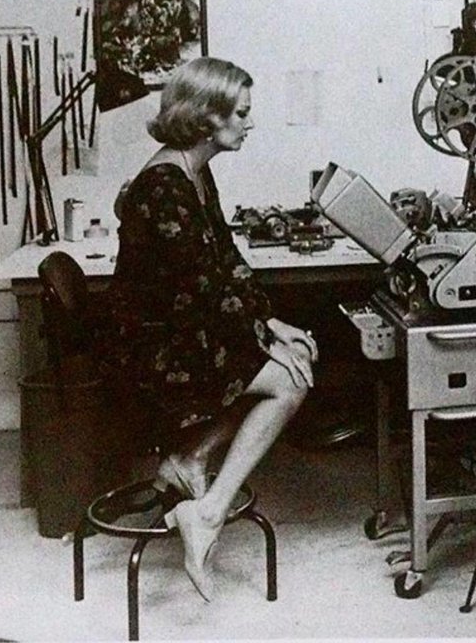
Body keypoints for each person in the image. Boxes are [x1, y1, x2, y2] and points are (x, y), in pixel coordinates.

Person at [102, 56, 317, 601]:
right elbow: (204, 286)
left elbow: (226, 260)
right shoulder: (164, 185)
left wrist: (272, 322)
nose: (250, 123)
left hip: (181, 335)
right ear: (206, 118)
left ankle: (190, 459)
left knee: (293, 358)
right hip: (152, 353)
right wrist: (267, 341)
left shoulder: (195, 173)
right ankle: (208, 512)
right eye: (241, 113)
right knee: (289, 380)